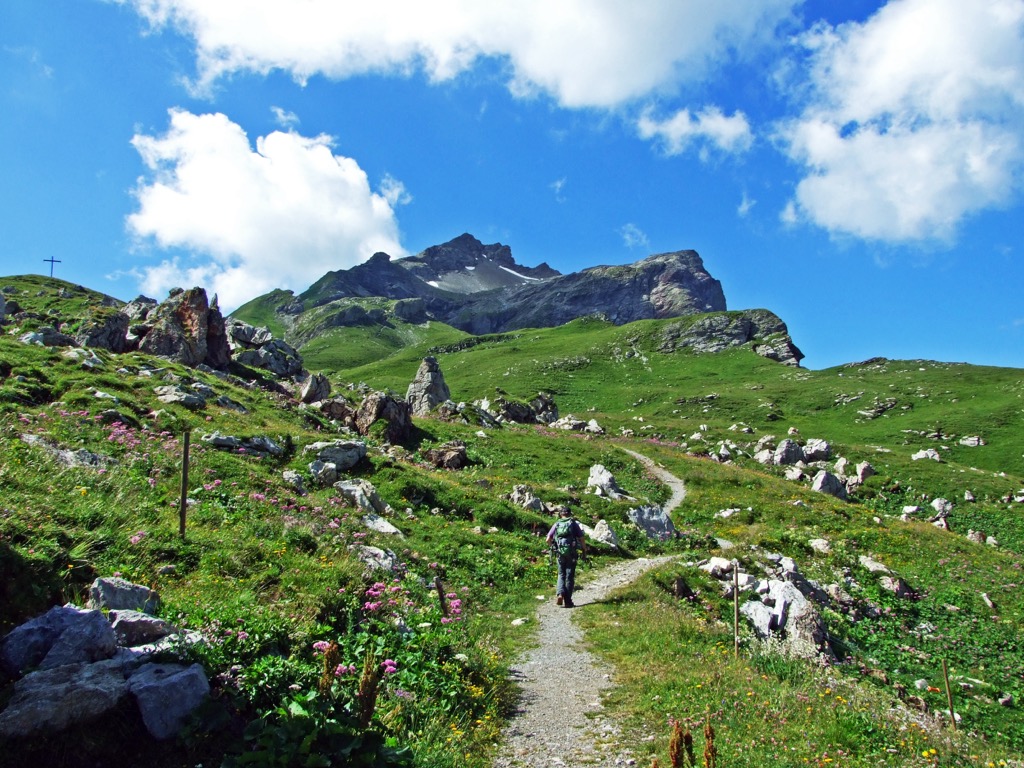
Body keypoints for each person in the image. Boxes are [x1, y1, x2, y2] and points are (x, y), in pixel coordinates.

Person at [546, 507, 585, 608]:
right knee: (569, 576)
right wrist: (585, 550)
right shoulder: (573, 523)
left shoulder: (557, 523)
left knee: (561, 574)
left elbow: (548, 539)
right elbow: (581, 538)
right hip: (571, 553)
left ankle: (559, 594)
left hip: (560, 553)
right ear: (570, 514)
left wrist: (553, 548)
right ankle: (568, 601)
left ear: (560, 514)